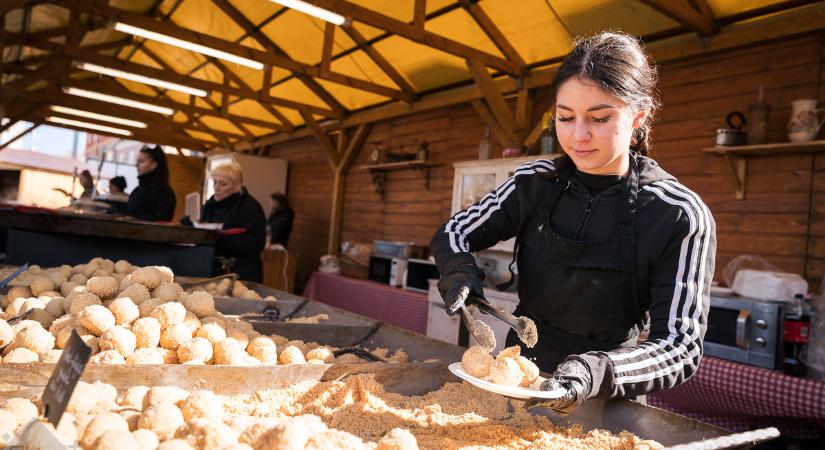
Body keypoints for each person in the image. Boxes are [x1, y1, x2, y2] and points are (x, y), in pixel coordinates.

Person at [431, 32, 716, 415]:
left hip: (609, 395)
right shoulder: (534, 183)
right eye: (564, 117)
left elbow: (679, 347)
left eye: (599, 118)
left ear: (639, 116)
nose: (578, 135)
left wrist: (593, 370)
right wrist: (459, 270)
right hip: (522, 378)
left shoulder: (677, 213)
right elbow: (455, 233)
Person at [185, 162, 266, 282]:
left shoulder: (250, 207)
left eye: (223, 184)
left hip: (240, 273)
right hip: (210, 269)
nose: (216, 188)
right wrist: (189, 224)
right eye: (215, 182)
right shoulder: (210, 205)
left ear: (237, 186)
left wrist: (222, 239)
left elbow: (255, 244)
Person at [127, 145, 176, 221]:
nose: (136, 165)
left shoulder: (164, 193)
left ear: (154, 165)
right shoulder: (138, 190)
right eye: (137, 161)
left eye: (141, 161)